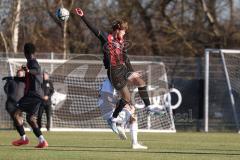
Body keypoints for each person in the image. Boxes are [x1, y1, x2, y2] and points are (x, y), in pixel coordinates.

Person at [75, 8, 154, 133]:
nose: (124, 34)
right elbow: (94, 30)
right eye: (124, 31)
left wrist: (132, 71)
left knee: (141, 83)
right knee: (127, 98)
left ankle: (149, 107)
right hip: (114, 71)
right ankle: (113, 118)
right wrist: (83, 16)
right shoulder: (107, 38)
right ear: (118, 29)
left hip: (123, 69)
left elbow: (126, 58)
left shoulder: (121, 42)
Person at [11, 43, 48, 148]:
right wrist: (14, 78)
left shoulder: (32, 63)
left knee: (16, 114)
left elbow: (36, 71)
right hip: (37, 95)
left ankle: (24, 139)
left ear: (25, 53)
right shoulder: (31, 62)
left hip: (32, 94)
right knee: (31, 119)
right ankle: (42, 141)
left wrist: (28, 70)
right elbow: (28, 78)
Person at [98, 79, 147, 149]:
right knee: (133, 115)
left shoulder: (105, 81)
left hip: (103, 111)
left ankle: (119, 125)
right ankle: (134, 143)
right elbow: (117, 97)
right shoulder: (116, 79)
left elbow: (107, 97)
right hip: (110, 110)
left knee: (126, 109)